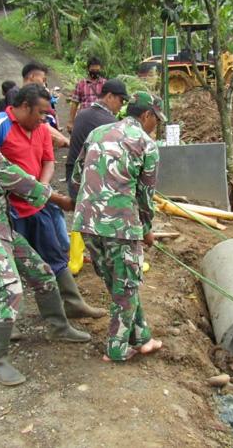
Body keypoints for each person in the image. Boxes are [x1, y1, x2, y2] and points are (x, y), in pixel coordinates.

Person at [0, 87, 89, 386]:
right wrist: (62, 201)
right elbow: (17, 179)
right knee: (9, 291)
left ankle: (58, 327)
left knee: (43, 273)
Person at [0, 83, 106, 327]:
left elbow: (48, 161)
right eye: (41, 112)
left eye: (47, 114)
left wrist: (41, 189)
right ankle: (7, 321)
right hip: (9, 211)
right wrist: (41, 193)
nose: (44, 118)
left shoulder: (42, 130)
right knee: (9, 266)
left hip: (38, 206)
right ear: (23, 107)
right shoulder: (0, 126)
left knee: (55, 256)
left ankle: (73, 304)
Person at [71, 91, 165, 362]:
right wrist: (146, 228)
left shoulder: (98, 133)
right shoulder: (146, 144)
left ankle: (143, 337)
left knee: (120, 284)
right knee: (126, 286)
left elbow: (78, 175)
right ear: (146, 115)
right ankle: (117, 348)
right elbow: (146, 196)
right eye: (155, 120)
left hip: (87, 223)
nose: (154, 125)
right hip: (120, 227)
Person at [65, 78, 129, 201]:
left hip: (72, 178)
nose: (122, 105)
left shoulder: (82, 114)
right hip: (88, 183)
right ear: (110, 96)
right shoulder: (109, 123)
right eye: (122, 100)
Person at [2, 62, 68, 148]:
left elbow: (43, 124)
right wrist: (65, 140)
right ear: (32, 77)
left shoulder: (38, 96)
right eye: (43, 79)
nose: (44, 83)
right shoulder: (14, 93)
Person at [66, 56, 106, 134]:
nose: (95, 72)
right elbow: (75, 103)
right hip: (84, 120)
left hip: (100, 121)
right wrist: (71, 122)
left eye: (97, 70)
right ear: (88, 69)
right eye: (93, 70)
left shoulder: (105, 84)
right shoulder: (81, 84)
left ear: (100, 69)